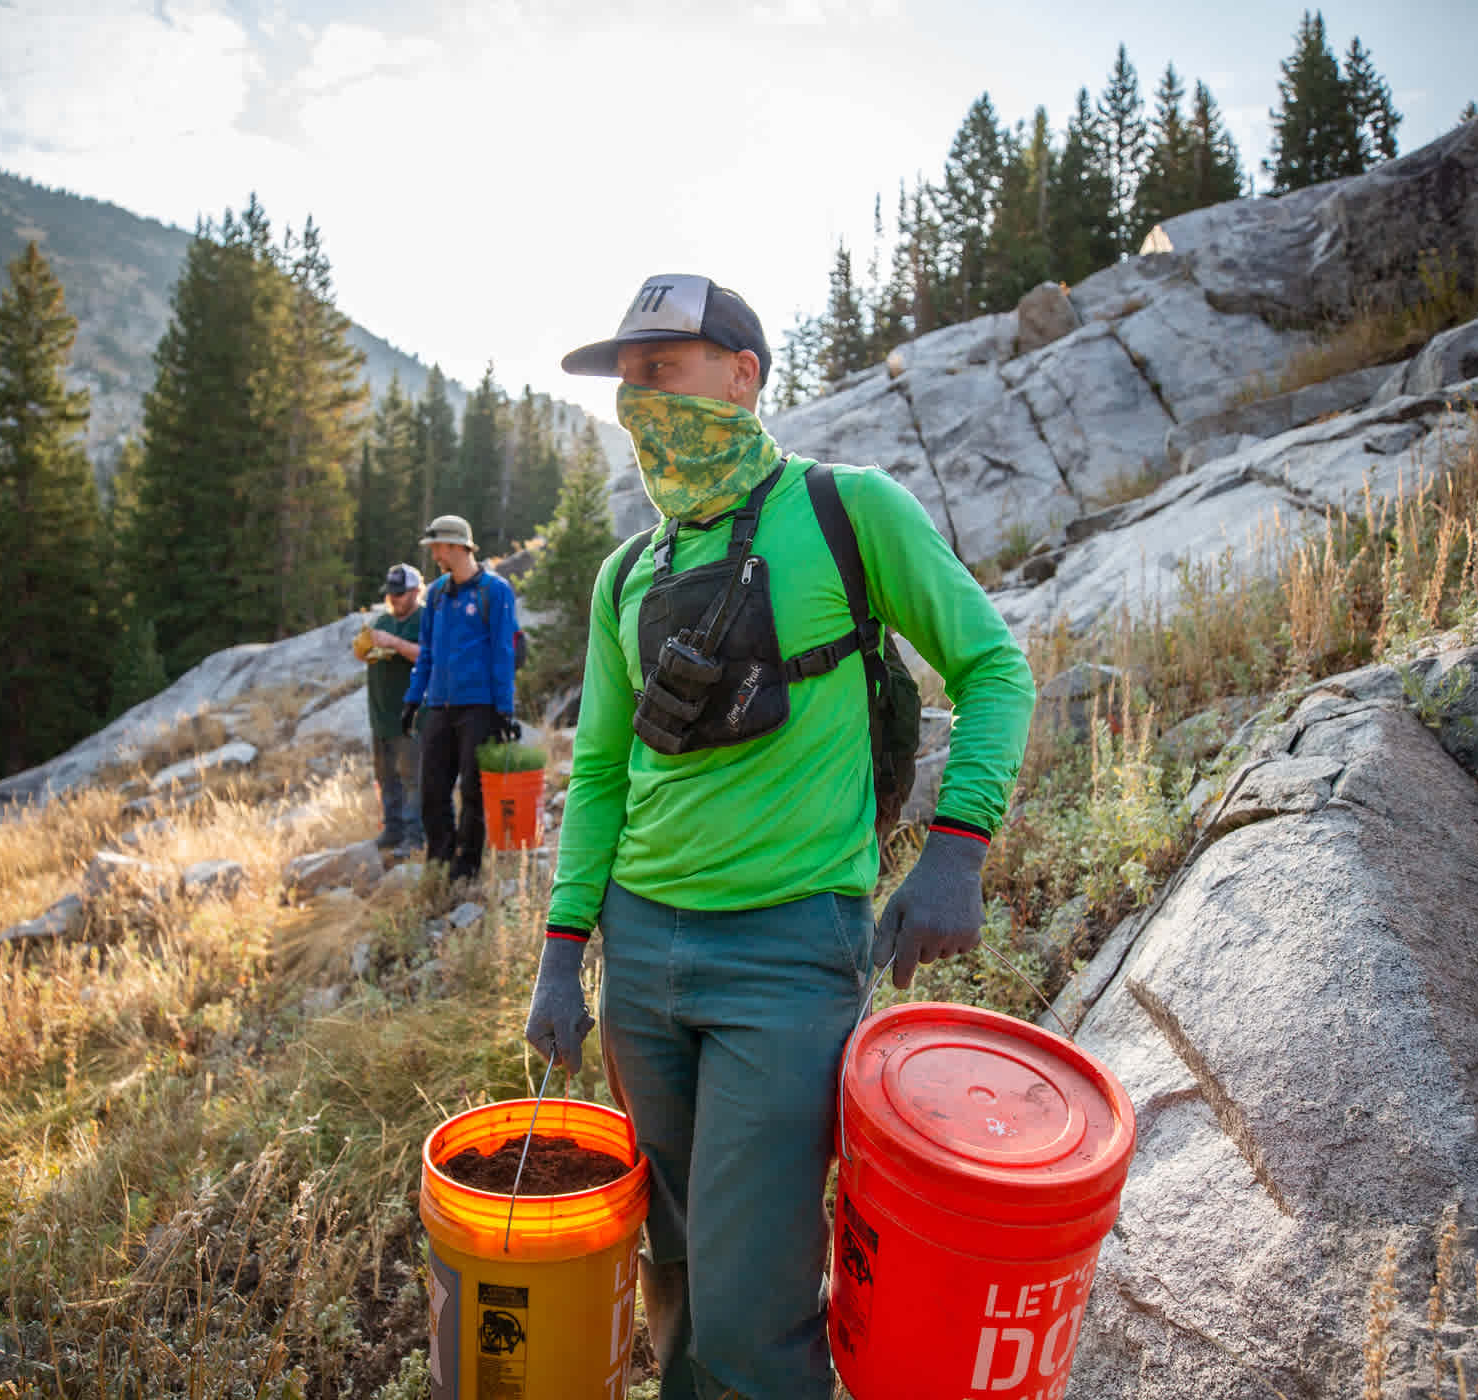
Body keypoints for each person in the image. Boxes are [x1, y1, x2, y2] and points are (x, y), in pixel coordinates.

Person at [523, 274, 1033, 1399]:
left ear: (743, 374)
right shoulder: (629, 570)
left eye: (665, 367)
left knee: (754, 1306)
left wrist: (957, 846)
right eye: (629, 379)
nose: (642, 396)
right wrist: (566, 950)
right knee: (682, 1265)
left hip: (786, 953)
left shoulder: (849, 510)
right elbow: (602, 771)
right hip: (640, 958)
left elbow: (995, 666)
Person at [401, 514, 520, 883]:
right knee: (433, 791)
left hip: (480, 709)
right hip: (439, 707)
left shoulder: (495, 592)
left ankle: (466, 869)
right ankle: (439, 861)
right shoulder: (435, 594)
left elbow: (504, 653)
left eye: (438, 547)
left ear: (457, 546)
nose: (434, 554)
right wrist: (412, 699)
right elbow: (426, 653)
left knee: (473, 791)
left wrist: (504, 711)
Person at [357, 562, 426, 856]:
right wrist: (364, 648)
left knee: (412, 778)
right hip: (380, 715)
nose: (394, 599)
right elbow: (366, 653)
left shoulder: (424, 619)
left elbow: (427, 655)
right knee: (386, 777)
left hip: (411, 716)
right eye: (391, 594)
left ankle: (414, 837)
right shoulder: (382, 621)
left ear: (415, 591)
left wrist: (395, 643)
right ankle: (392, 830)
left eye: (400, 593)